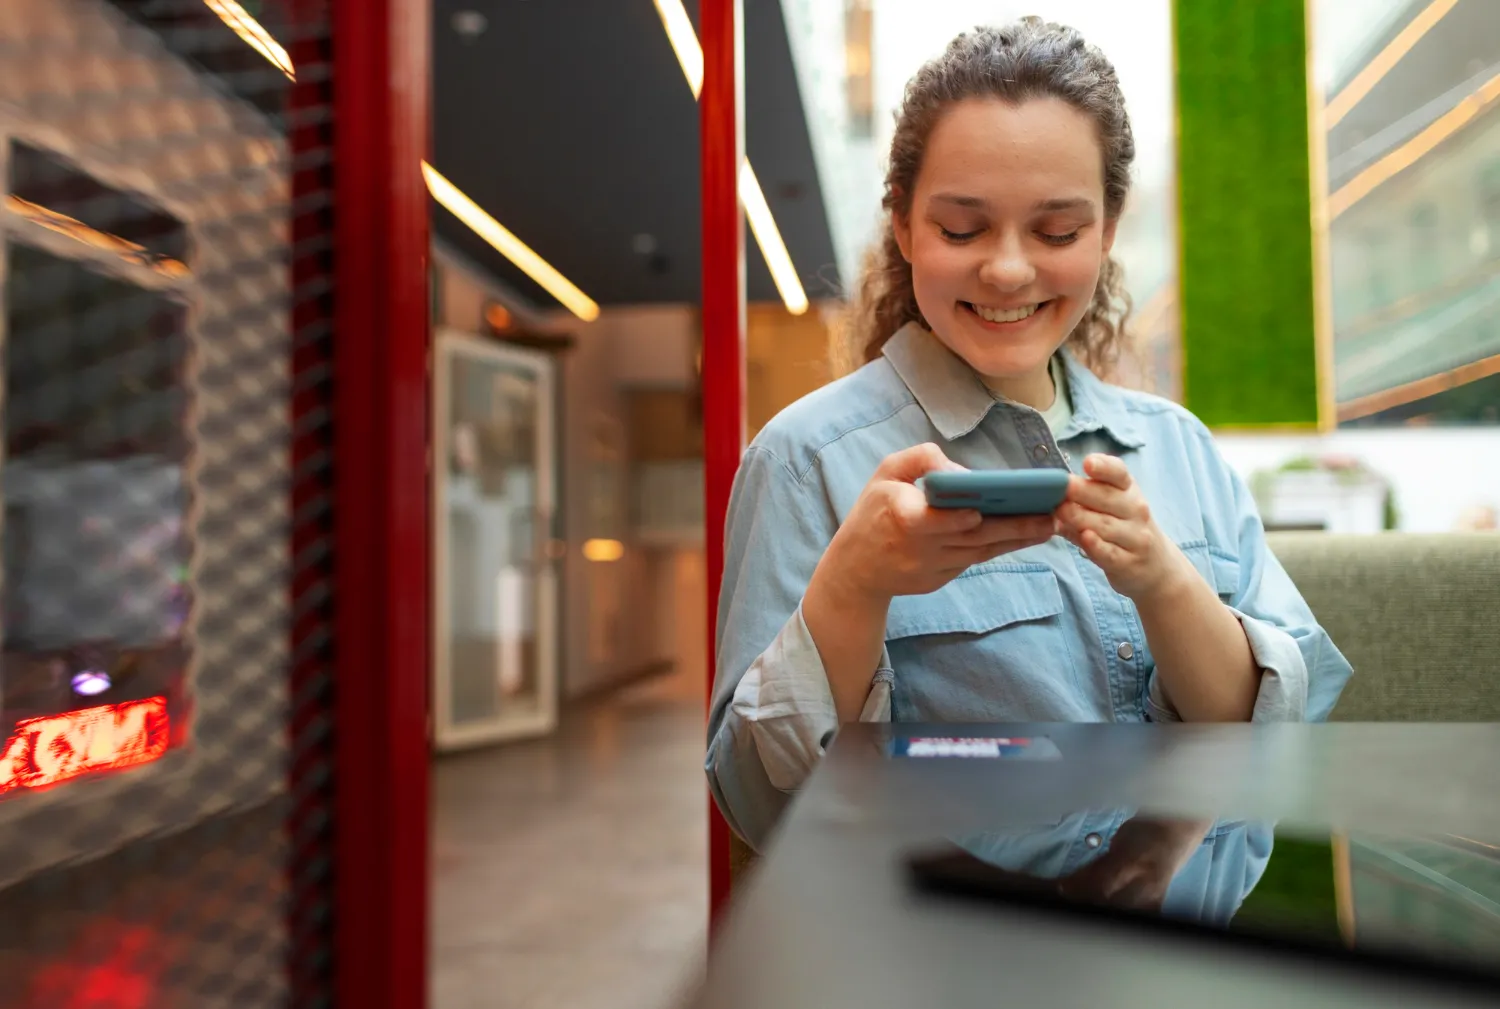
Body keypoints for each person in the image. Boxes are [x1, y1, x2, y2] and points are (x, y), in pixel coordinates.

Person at [705, 18, 1353, 917]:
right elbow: (758, 801)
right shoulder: (804, 459)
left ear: (1107, 230)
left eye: (1056, 230)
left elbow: (1277, 744)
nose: (1008, 270)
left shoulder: (1178, 447)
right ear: (902, 223)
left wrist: (1163, 581)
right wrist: (852, 587)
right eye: (961, 227)